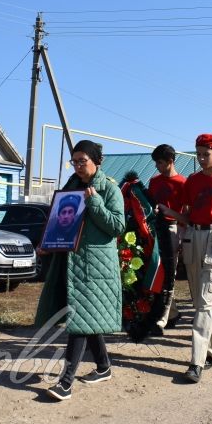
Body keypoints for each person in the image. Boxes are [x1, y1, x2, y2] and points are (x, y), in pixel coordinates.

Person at [35, 140, 125, 401]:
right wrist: (47, 243)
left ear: (97, 161)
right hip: (71, 262)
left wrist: (95, 203)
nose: (77, 166)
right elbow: (59, 220)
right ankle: (104, 367)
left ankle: (65, 382)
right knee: (87, 317)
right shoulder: (70, 187)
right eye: (74, 162)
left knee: (79, 320)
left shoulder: (109, 189)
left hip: (95, 266)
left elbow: (118, 226)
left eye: (82, 161)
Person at [158, 134, 212, 383]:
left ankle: (196, 362)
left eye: (206, 153)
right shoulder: (192, 181)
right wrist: (169, 212)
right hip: (193, 238)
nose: (202, 158)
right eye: (198, 153)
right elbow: (187, 217)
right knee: (200, 301)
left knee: (204, 303)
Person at [147, 143, 186, 334]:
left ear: (170, 162)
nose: (157, 166)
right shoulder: (154, 182)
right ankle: (172, 313)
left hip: (173, 231)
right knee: (157, 272)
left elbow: (187, 216)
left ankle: (162, 317)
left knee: (168, 274)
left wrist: (171, 214)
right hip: (155, 231)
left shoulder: (183, 184)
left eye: (160, 163)